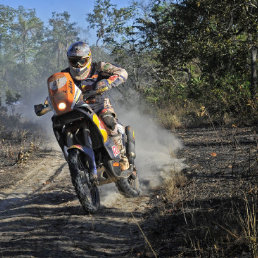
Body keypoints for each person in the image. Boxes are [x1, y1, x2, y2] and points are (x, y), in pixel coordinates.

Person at [36, 41, 129, 171]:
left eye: (82, 61)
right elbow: (57, 93)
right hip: (76, 108)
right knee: (63, 127)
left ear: (89, 58)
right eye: (74, 61)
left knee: (109, 122)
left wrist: (108, 82)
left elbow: (122, 72)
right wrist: (45, 104)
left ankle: (122, 156)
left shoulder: (99, 67)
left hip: (99, 104)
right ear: (69, 60)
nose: (78, 65)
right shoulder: (65, 76)